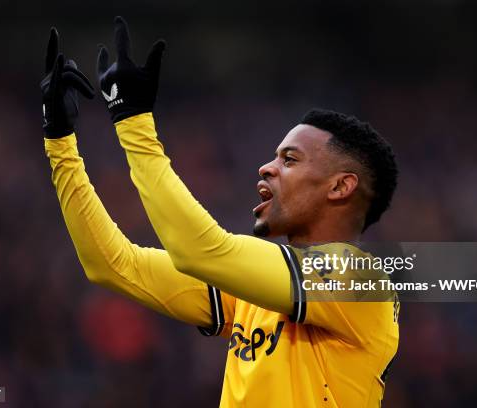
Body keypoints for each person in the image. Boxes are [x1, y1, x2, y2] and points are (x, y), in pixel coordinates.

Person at [40, 16, 399, 407]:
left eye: (290, 159)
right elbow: (111, 265)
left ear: (340, 186)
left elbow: (200, 250)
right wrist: (60, 145)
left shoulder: (361, 282)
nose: (267, 168)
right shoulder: (254, 291)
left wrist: (134, 125)